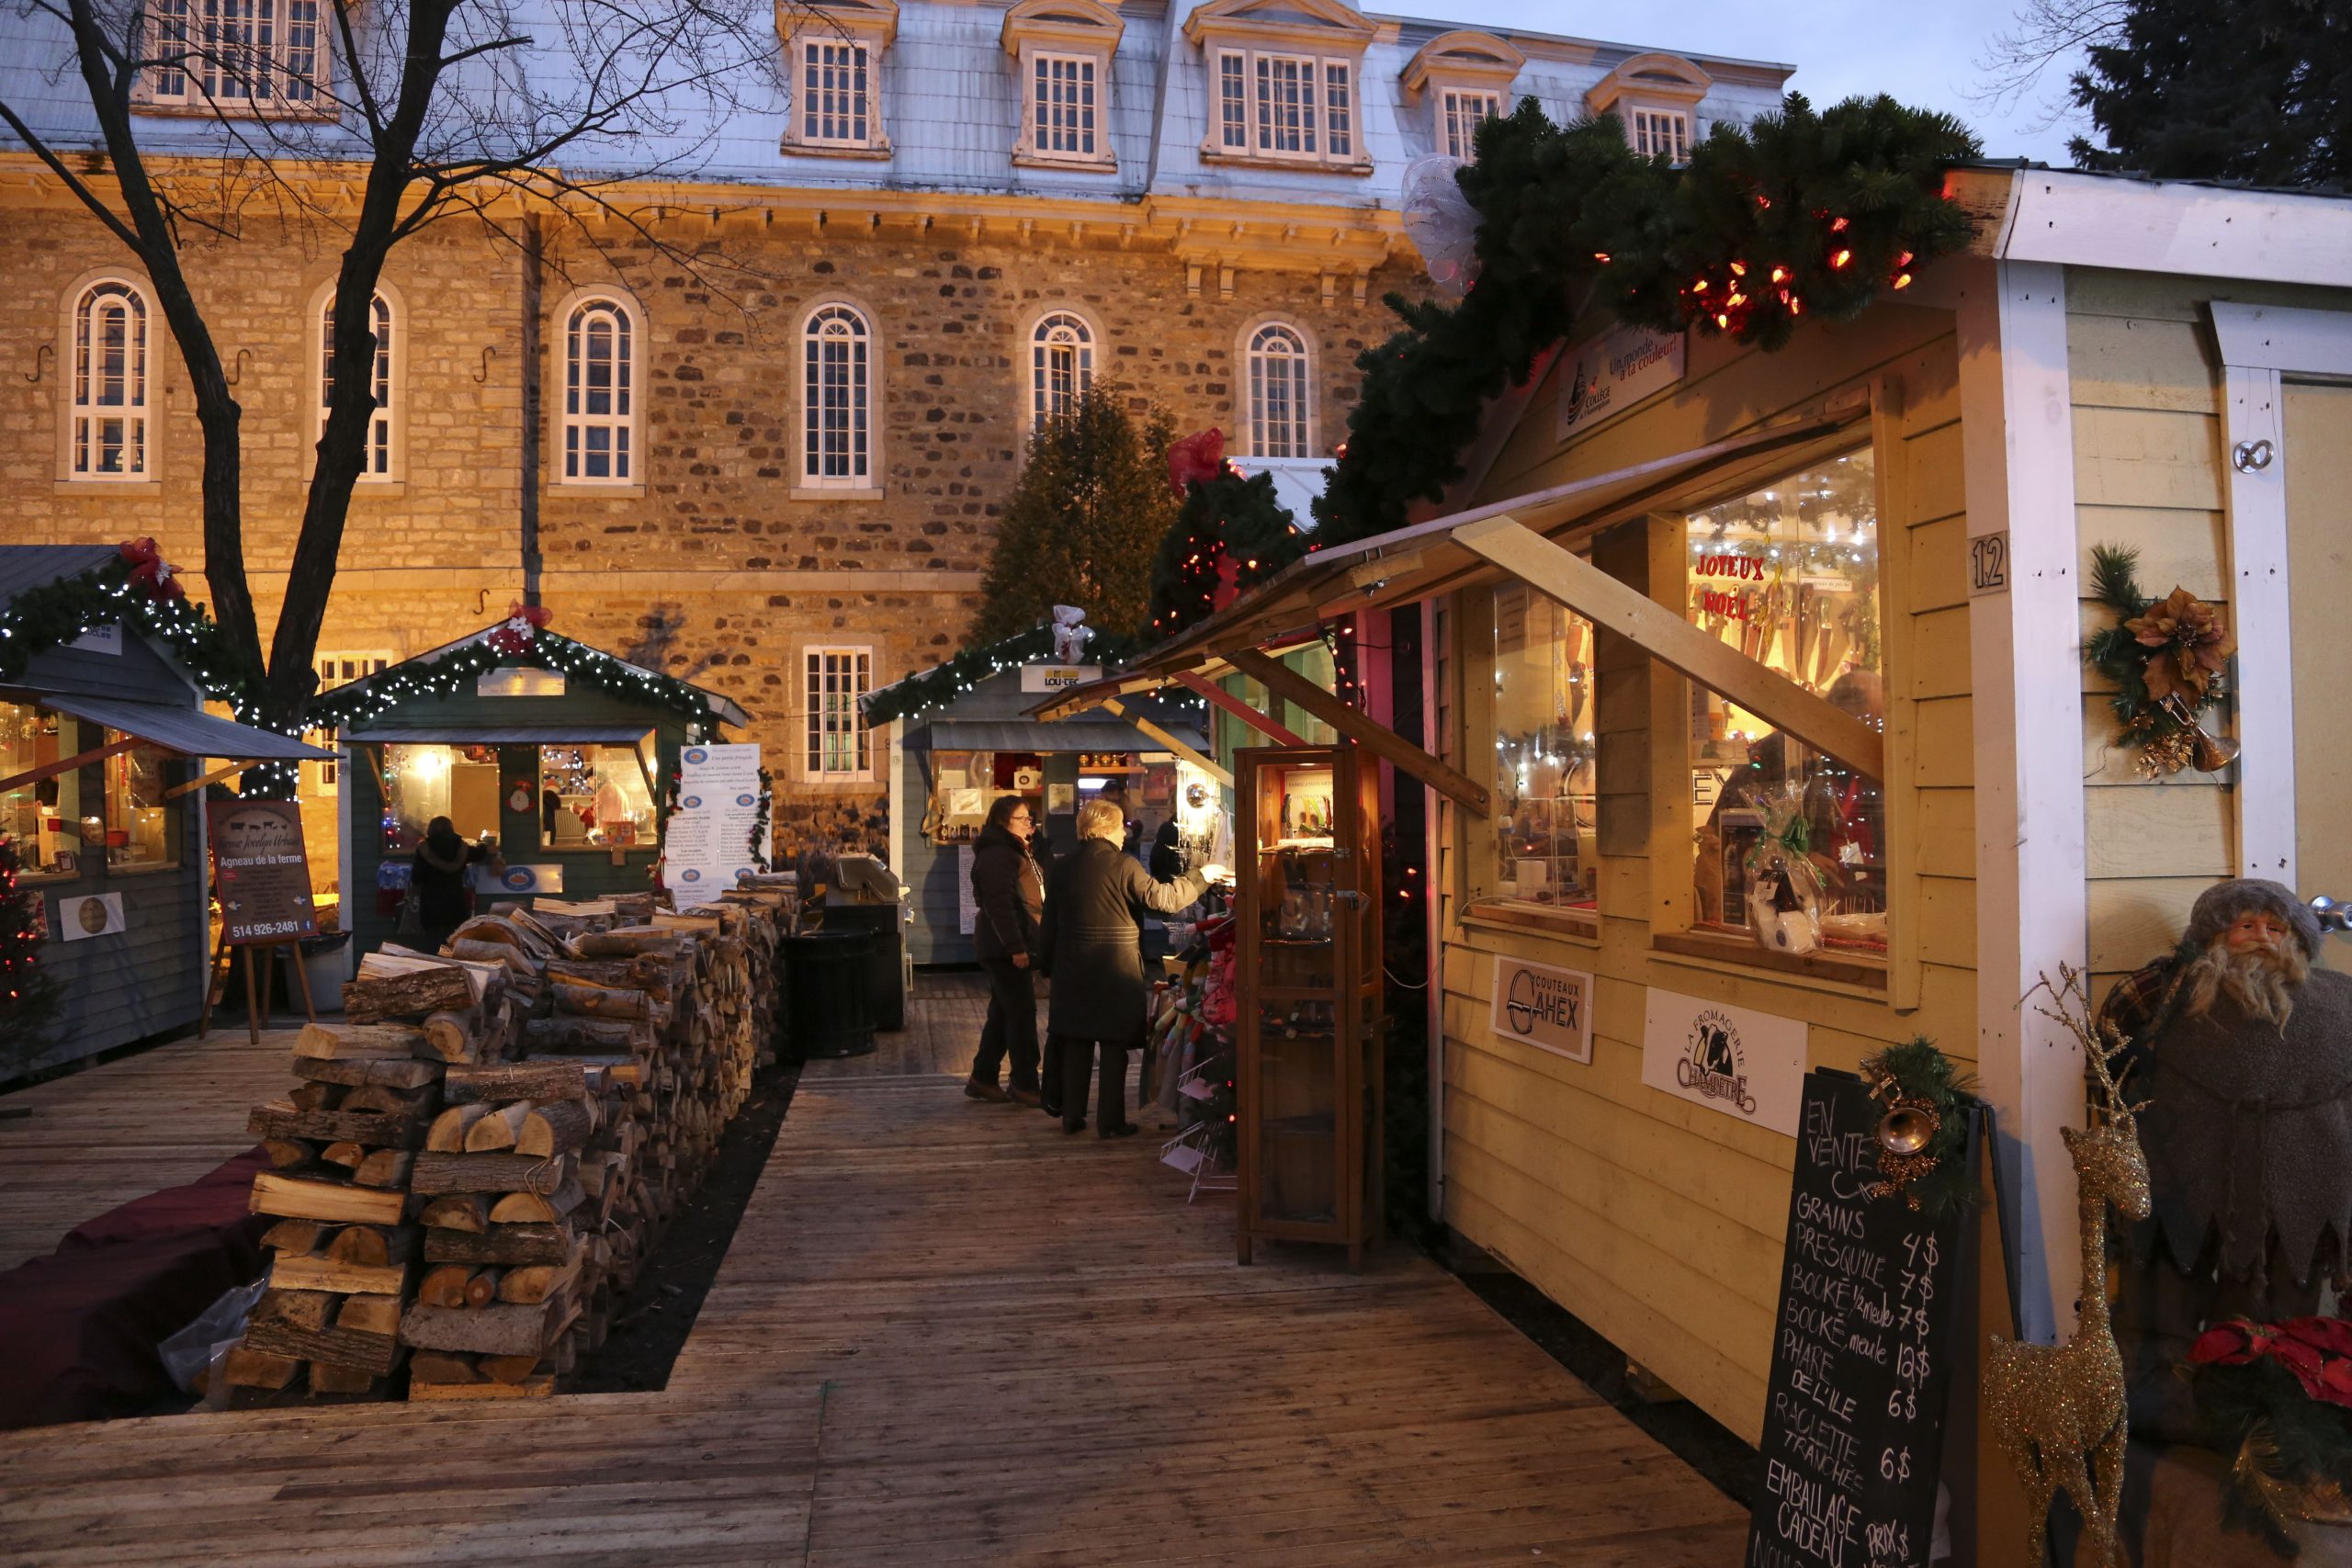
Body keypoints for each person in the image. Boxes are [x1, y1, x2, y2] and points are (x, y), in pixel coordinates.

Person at [2098, 879, 2352, 1444]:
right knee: (2167, 1298)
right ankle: (2168, 1417)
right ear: (2213, 936)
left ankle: (2274, 1428)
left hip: (2303, 1191)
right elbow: (2109, 1063)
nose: (2262, 937)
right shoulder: (2169, 995)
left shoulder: (2338, 1003)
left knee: (2284, 1314)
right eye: (2246, 925)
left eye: (2276, 928)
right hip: (2183, 1178)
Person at [1039, 797, 1221, 1136]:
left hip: (1071, 966)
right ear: (1107, 828)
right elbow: (1163, 900)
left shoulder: (1063, 866)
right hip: (1114, 968)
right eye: (1121, 825)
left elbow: (1050, 921)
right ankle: (1110, 1122)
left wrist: (1046, 966)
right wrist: (1201, 878)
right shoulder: (1123, 865)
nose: (1124, 833)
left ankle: (1072, 1117)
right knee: (1113, 1046)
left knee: (1076, 1043)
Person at [966, 794, 1044, 1107]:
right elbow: (999, 904)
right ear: (1002, 821)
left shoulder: (1015, 851)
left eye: (1030, 818)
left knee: (1004, 1012)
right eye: (1022, 818)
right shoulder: (999, 854)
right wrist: (1016, 947)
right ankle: (1025, 1083)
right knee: (1022, 1013)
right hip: (1004, 948)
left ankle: (982, 1078)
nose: (1030, 823)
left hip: (1010, 944)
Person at [411, 816, 497, 953]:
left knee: (432, 943)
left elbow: (416, 877)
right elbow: (480, 853)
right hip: (455, 901)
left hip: (430, 903)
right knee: (455, 940)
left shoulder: (424, 848)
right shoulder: (460, 845)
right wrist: (481, 843)